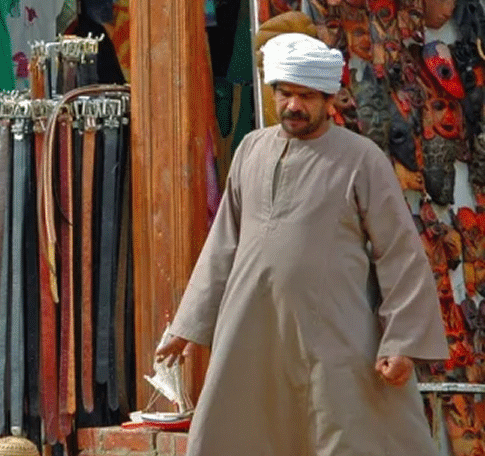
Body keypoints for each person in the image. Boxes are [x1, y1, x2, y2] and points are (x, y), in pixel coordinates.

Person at [156, 32, 447, 456]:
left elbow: (399, 254)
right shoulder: (251, 150)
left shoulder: (361, 158)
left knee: (347, 436)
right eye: (286, 93)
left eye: (306, 96)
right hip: (254, 334)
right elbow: (223, 244)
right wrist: (186, 327)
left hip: (335, 336)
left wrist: (402, 341)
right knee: (243, 434)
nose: (293, 106)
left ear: (329, 99)